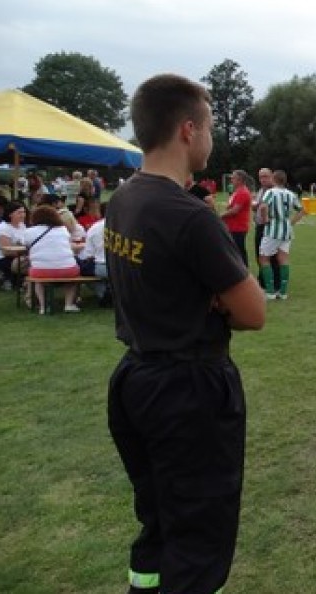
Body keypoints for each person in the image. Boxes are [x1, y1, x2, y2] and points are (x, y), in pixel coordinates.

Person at [105, 73, 266, 594]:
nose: (212, 139)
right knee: (198, 544)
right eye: (211, 127)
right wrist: (216, 299)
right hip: (187, 391)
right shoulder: (188, 214)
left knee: (158, 525)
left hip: (135, 380)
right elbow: (252, 311)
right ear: (188, 131)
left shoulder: (123, 199)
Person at [24, 204, 83, 314]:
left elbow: (25, 245)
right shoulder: (63, 230)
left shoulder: (29, 231)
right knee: (73, 278)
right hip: (68, 269)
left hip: (40, 270)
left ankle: (43, 306)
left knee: (38, 280)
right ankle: (69, 304)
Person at [257, 169, 305, 300]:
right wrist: (291, 223)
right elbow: (302, 211)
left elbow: (262, 206)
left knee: (264, 259)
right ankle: (283, 292)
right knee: (283, 259)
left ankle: (270, 292)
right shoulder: (291, 194)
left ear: (273, 179)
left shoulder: (271, 192)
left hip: (272, 230)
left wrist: (265, 219)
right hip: (286, 231)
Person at [252, 168, 280, 288]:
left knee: (271, 255)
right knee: (260, 254)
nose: (262, 179)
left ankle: (273, 281)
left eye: (265, 176)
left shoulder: (275, 191)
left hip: (270, 226)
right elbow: (256, 207)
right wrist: (254, 206)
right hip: (260, 226)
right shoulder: (261, 190)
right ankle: (263, 278)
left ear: (272, 176)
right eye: (260, 177)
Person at [79, 204, 111, 306]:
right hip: (123, 267)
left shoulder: (94, 228)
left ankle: (104, 294)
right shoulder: (127, 226)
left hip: (101, 266)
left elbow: (89, 254)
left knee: (84, 270)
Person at [220, 169, 253, 267]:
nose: (231, 180)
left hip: (238, 227)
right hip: (233, 226)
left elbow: (235, 210)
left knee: (239, 250)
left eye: (233, 178)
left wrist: (220, 216)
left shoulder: (242, 192)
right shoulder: (238, 191)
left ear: (240, 180)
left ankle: (243, 270)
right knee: (235, 250)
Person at [0, 201, 28, 290]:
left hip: (19, 254)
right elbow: (6, 251)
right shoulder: (4, 228)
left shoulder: (22, 225)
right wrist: (25, 252)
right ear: (10, 214)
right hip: (3, 259)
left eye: (24, 212)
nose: (23, 215)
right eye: (19, 213)